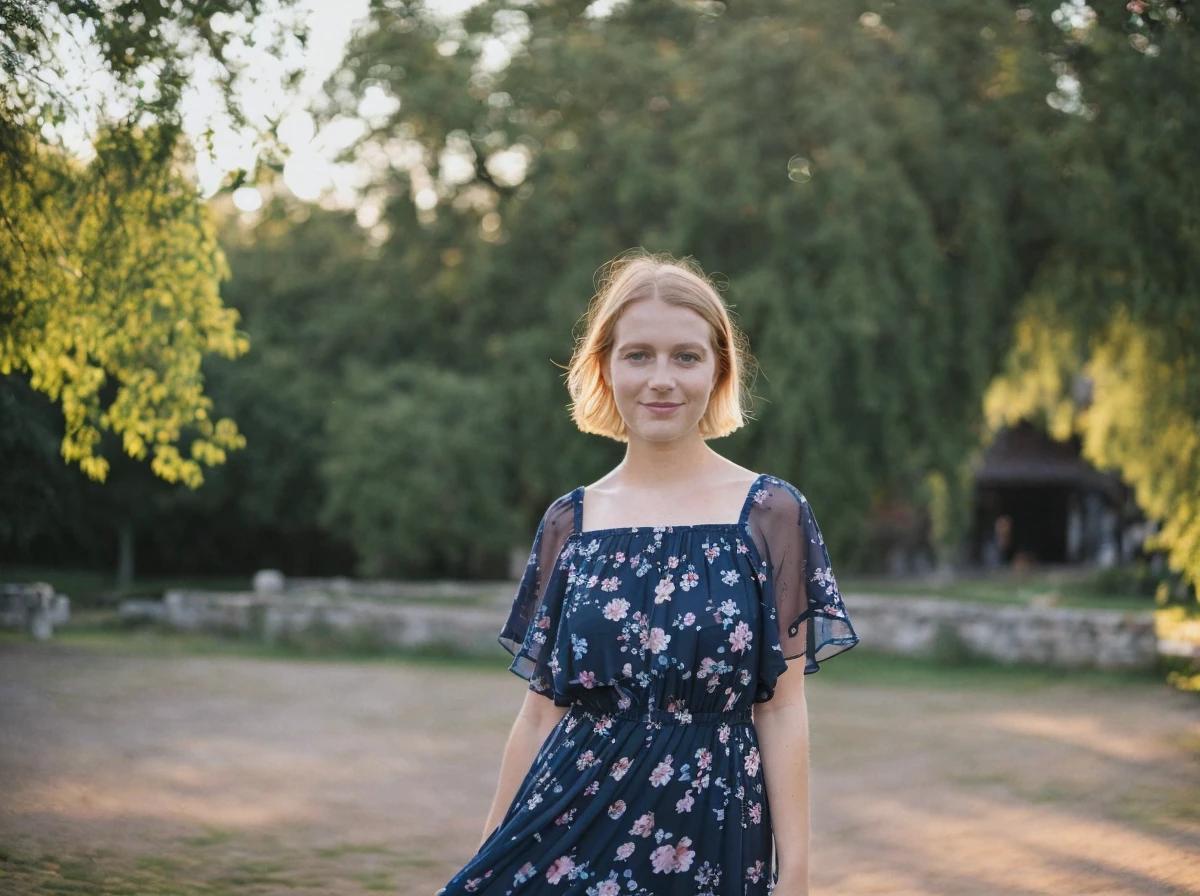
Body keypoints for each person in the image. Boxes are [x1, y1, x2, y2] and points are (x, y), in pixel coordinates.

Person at [435, 250, 859, 895]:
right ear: (604, 369)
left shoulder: (771, 513)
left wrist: (795, 875)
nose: (662, 379)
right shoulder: (572, 523)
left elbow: (782, 710)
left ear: (719, 371)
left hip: (715, 830)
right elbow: (540, 714)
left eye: (686, 356)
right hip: (564, 824)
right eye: (638, 355)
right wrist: (491, 851)